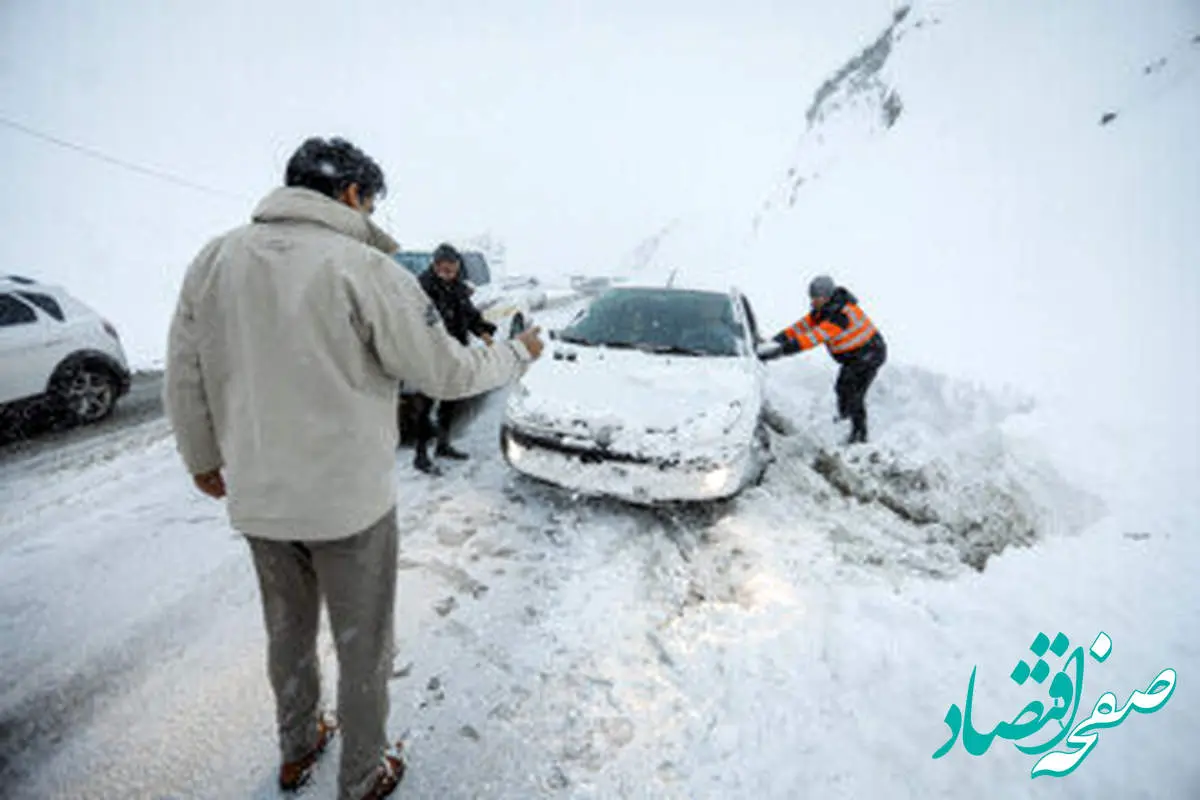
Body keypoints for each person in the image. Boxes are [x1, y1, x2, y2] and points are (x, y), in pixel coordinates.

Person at [163, 136, 544, 800]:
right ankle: (363, 775)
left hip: (259, 498)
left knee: (288, 632)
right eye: (372, 199)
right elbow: (446, 371)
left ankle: (299, 742)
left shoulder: (215, 259)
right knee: (362, 643)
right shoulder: (364, 269)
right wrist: (517, 353)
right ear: (351, 194)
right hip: (349, 505)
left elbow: (185, 371)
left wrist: (201, 458)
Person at [760, 274, 887, 444]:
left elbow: (813, 337)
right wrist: (775, 341)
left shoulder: (840, 315)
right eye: (811, 297)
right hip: (854, 357)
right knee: (843, 387)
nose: (812, 301)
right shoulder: (822, 312)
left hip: (869, 353)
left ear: (826, 296)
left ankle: (859, 435)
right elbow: (799, 329)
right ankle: (845, 420)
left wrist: (781, 351)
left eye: (816, 298)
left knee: (854, 392)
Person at [408, 243, 498, 475]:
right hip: (431, 354)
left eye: (454, 269)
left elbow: (468, 313)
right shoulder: (422, 289)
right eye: (445, 269)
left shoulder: (458, 287)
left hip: (455, 351)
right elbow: (416, 321)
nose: (450, 274)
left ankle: (443, 445)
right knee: (425, 405)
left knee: (451, 399)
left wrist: (483, 330)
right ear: (436, 266)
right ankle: (420, 455)